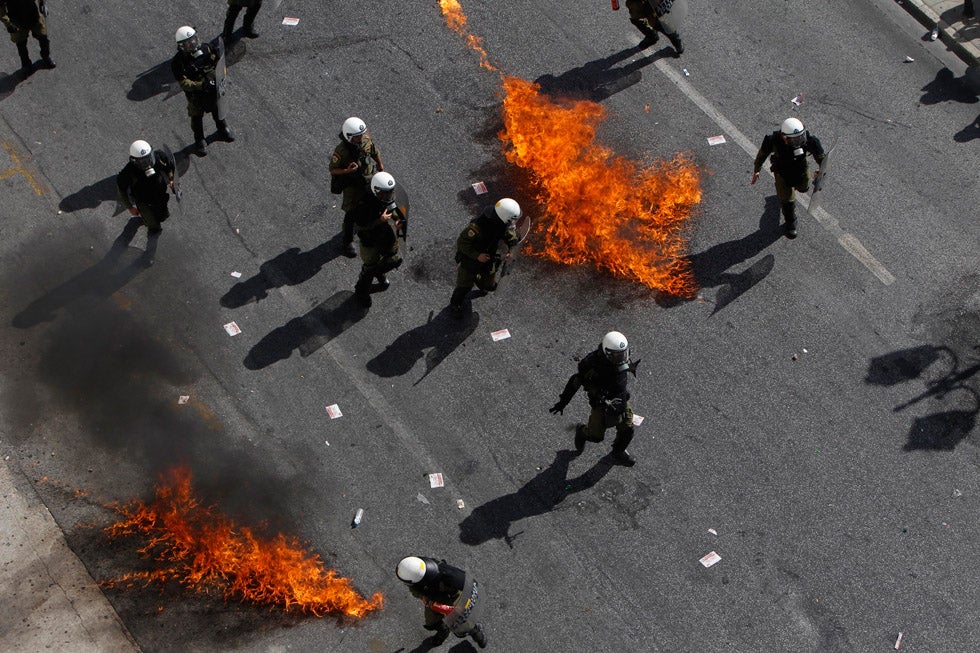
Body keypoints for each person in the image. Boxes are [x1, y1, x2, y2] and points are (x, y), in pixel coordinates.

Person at [550, 331, 638, 466]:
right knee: (596, 436)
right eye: (617, 356)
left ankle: (617, 452)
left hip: (620, 398)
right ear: (606, 353)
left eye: (623, 354)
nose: (621, 359)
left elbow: (625, 365)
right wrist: (563, 402)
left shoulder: (621, 356)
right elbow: (575, 381)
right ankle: (582, 432)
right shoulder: (590, 365)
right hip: (601, 404)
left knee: (627, 429)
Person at [751, 117, 826, 239]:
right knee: (787, 200)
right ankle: (791, 222)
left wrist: (821, 171)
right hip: (782, 172)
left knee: (804, 188)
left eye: (800, 137)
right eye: (794, 139)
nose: (799, 142)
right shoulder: (773, 141)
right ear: (784, 137)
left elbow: (822, 159)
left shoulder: (810, 140)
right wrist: (756, 170)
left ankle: (777, 201)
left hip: (800, 169)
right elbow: (762, 155)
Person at [449, 198, 521, 318]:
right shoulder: (477, 227)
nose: (513, 222)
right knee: (464, 286)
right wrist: (477, 256)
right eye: (512, 219)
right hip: (470, 261)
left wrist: (512, 248)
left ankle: (483, 284)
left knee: (489, 283)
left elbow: (509, 236)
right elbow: (462, 243)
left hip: (488, 258)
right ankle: (455, 304)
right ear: (504, 217)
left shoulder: (501, 224)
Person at [396, 556, 487, 649]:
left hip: (453, 596)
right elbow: (414, 590)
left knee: (463, 619)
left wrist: (462, 607)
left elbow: (464, 583)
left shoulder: (447, 575)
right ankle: (443, 631)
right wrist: (423, 597)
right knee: (432, 622)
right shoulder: (414, 573)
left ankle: (475, 631)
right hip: (433, 600)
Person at [171, 26, 235, 157]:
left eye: (193, 40)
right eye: (187, 43)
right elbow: (184, 83)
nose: (192, 44)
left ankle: (222, 129)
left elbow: (219, 63)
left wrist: (219, 77)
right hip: (196, 95)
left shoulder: (207, 48)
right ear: (181, 46)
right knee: (197, 117)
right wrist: (202, 85)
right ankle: (199, 140)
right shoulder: (178, 62)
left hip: (213, 89)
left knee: (218, 110)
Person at [329, 117, 384, 257]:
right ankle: (347, 242)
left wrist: (380, 166)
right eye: (357, 137)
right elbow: (333, 169)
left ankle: (374, 225)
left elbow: (373, 151)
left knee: (375, 202)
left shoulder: (364, 139)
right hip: (353, 186)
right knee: (351, 215)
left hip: (369, 177)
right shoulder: (341, 151)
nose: (361, 138)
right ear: (348, 136)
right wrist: (347, 171)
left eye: (361, 135)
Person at [350, 172, 405, 307]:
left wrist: (398, 218)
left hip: (383, 233)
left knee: (394, 258)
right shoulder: (363, 203)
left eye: (390, 192)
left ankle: (379, 272)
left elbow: (391, 205)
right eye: (385, 194)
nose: (388, 196)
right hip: (369, 239)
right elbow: (360, 226)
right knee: (369, 269)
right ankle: (361, 292)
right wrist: (379, 220)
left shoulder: (384, 195)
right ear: (376, 191)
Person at [116, 140, 175, 239]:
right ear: (134, 160)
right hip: (144, 202)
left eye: (148, 158)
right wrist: (130, 207)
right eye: (142, 161)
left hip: (160, 195)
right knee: (154, 226)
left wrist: (171, 179)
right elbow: (121, 192)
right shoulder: (127, 173)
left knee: (163, 216)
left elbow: (169, 166)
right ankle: (150, 226)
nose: (146, 162)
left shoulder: (158, 156)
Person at [0, 0, 54, 77]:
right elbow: (1, 9)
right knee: (21, 44)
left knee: (43, 37)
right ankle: (26, 65)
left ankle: (46, 56)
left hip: (34, 16)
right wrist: (8, 24)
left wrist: (42, 4)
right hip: (17, 21)